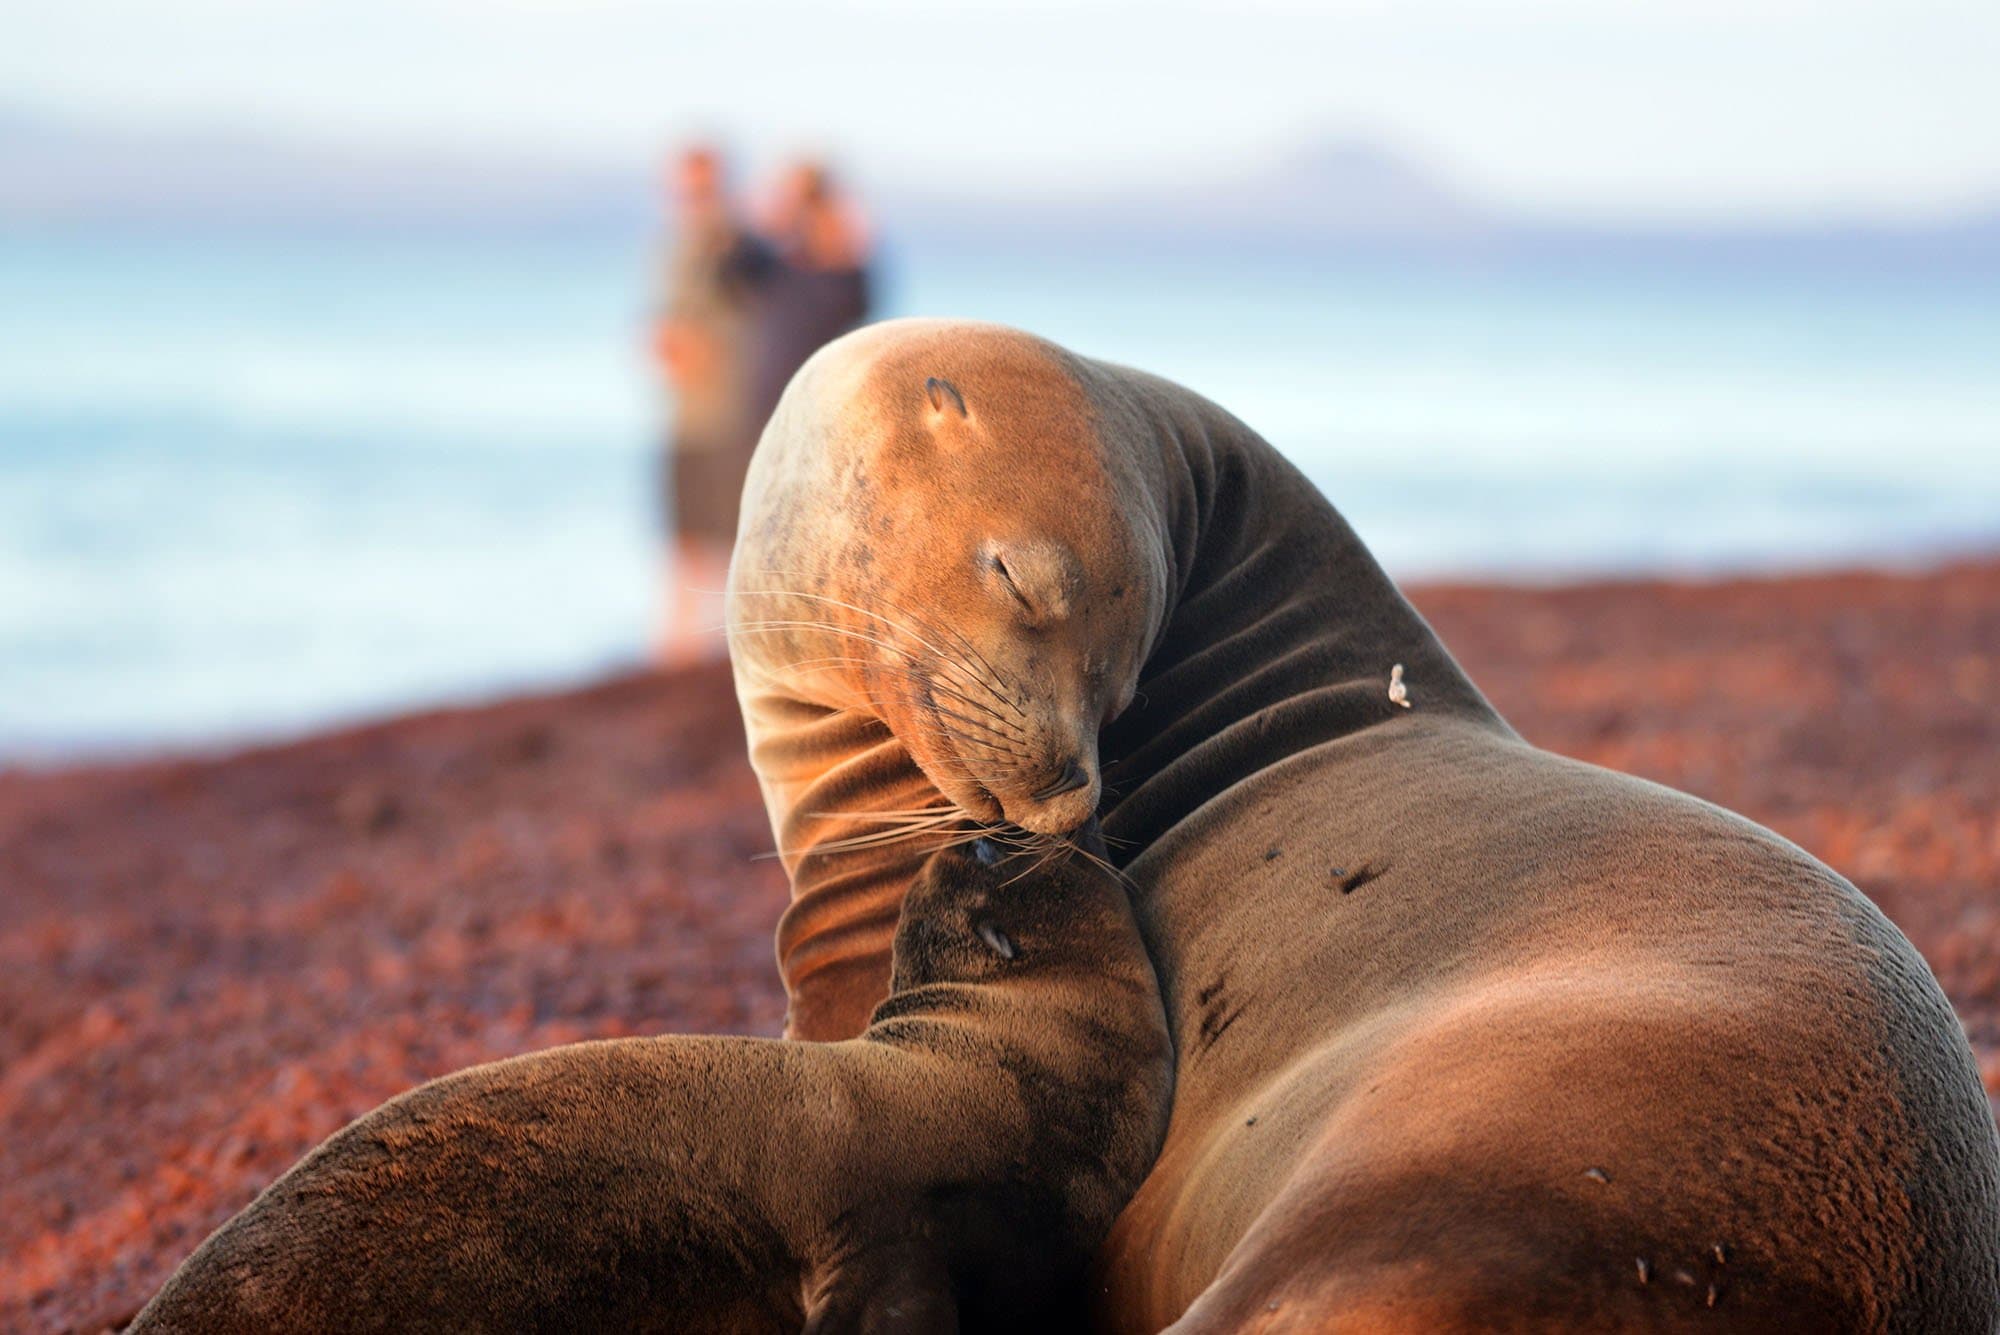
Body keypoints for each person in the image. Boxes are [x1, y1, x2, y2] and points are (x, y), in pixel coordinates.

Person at [651, 145, 765, 665]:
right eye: (686, 189)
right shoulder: (674, 247)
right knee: (684, 540)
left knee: (726, 543)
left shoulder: (736, 244)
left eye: (702, 189)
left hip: (725, 416)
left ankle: (718, 655)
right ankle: (676, 648)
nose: (693, 201)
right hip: (684, 416)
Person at [742, 161, 873, 448]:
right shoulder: (775, 264)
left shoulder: (845, 277)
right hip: (764, 412)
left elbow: (858, 300)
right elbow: (733, 258)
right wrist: (780, 210)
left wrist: (837, 225)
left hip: (818, 411)